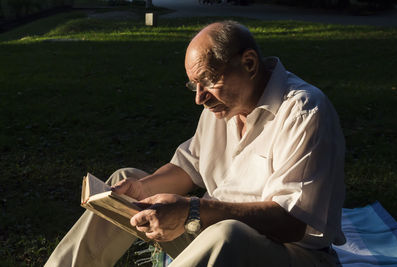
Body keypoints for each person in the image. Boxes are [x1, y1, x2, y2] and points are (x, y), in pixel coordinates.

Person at [45, 20, 346, 266]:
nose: (199, 98)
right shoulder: (220, 109)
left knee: (228, 234)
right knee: (126, 181)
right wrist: (142, 190)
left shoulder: (304, 111)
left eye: (208, 81)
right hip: (216, 235)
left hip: (294, 255)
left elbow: (292, 223)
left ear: (249, 63)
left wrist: (193, 210)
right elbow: (187, 168)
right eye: (193, 85)